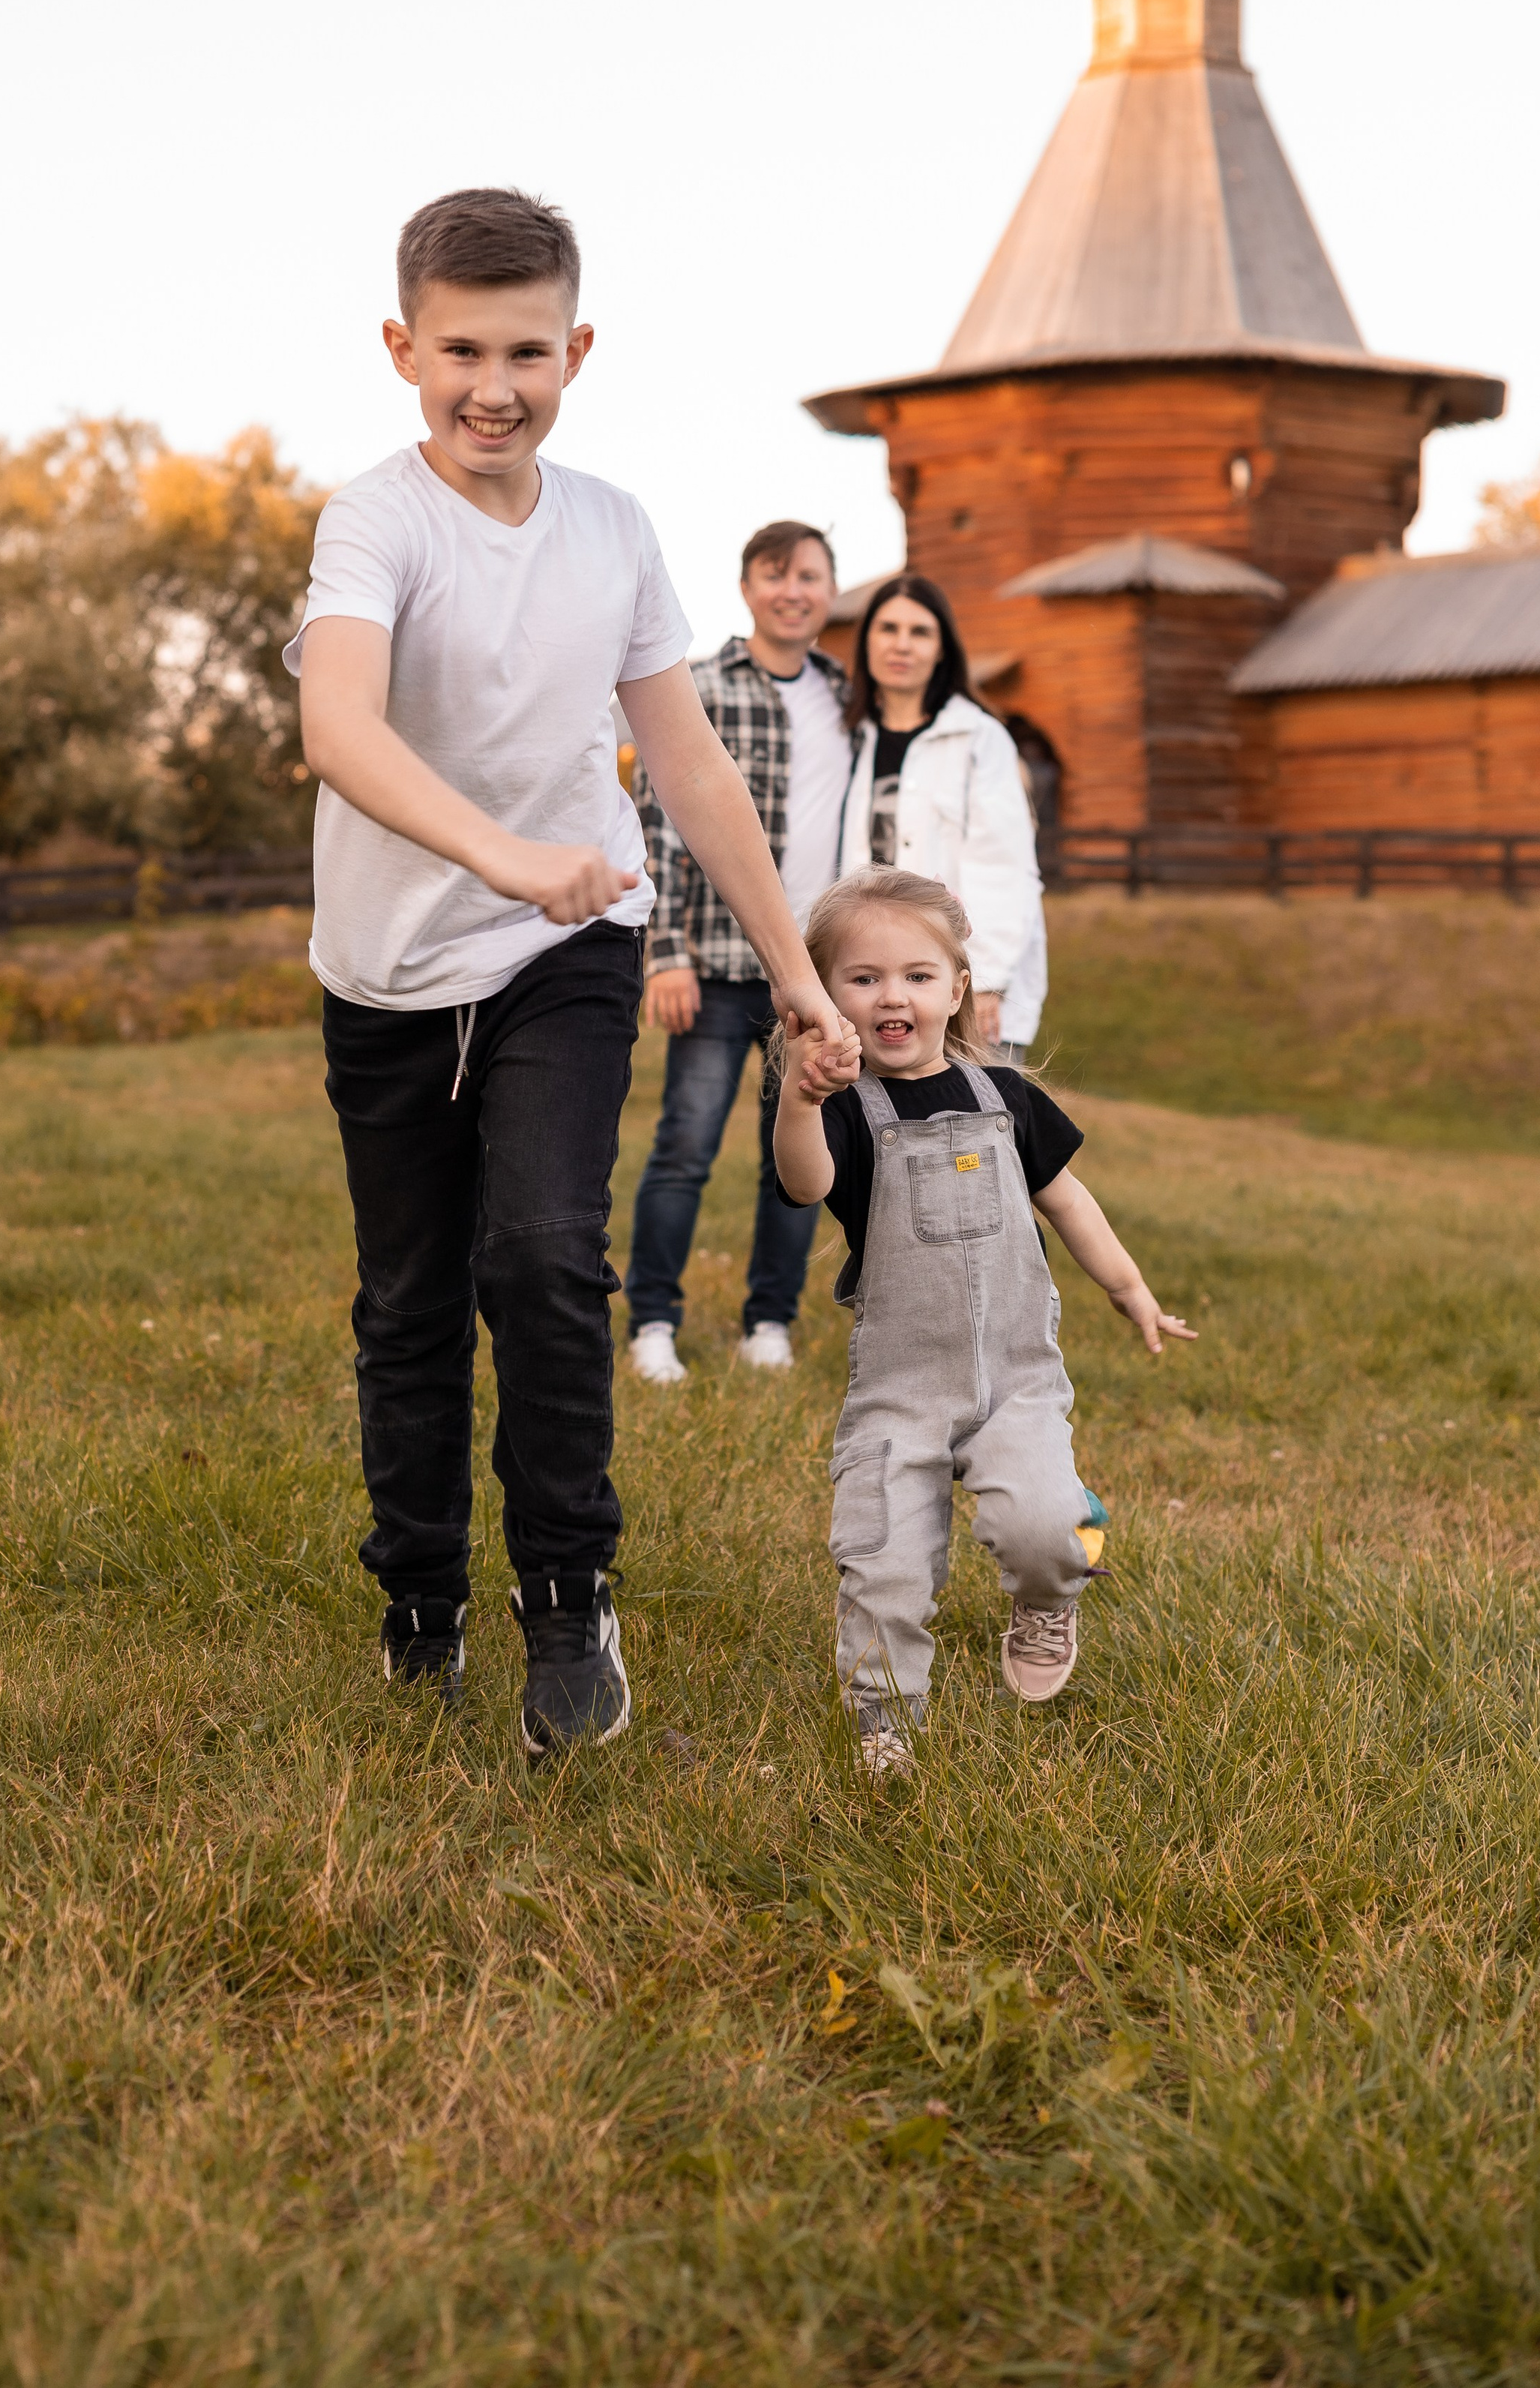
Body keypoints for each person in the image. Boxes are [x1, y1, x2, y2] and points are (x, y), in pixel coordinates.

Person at [285, 188, 852, 1762]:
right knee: (407, 1303)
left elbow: (684, 761)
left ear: (575, 350)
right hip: (393, 973)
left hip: (569, 949)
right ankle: (419, 1601)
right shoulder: (375, 520)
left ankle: (566, 1598)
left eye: (525, 350)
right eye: (459, 348)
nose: (492, 383)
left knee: (538, 1257)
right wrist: (502, 853)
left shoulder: (612, 527)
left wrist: (795, 970)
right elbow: (336, 729)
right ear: (402, 348)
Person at [774, 868, 1194, 1774]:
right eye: (863, 978)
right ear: (825, 997)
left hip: (1015, 1381)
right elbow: (804, 1184)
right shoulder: (846, 1112)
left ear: (955, 990)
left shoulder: (1005, 1096)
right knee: (881, 1559)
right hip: (902, 1389)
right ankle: (886, 1719)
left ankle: (1052, 1593)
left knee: (1046, 1529)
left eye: (918, 976)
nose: (893, 996)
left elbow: (1069, 1201)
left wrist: (1130, 1289)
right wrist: (798, 1096)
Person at [623, 520, 852, 1382]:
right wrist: (666, 951)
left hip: (816, 974)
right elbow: (660, 818)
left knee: (796, 1153)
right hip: (717, 962)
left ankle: (770, 1320)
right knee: (685, 1143)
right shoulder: (701, 684)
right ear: (747, 586)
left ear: (830, 589)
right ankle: (651, 1321)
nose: (793, 590)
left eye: (809, 575)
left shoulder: (844, 698)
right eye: (774, 574)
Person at [837, 574, 1046, 1056]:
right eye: (888, 628)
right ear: (867, 640)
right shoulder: (851, 739)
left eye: (920, 632)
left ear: (942, 649)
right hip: (877, 987)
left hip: (964, 988)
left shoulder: (979, 738)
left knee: (977, 1125)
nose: (902, 644)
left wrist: (987, 978)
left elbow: (1004, 865)